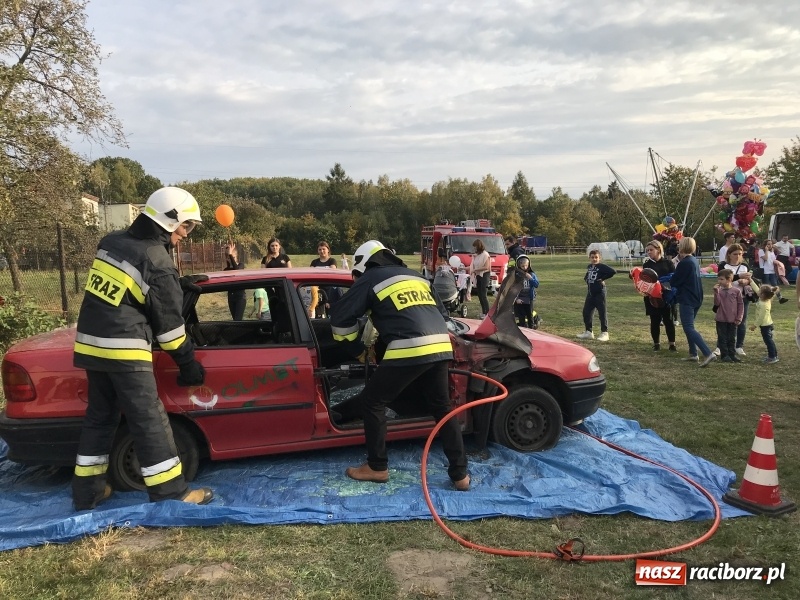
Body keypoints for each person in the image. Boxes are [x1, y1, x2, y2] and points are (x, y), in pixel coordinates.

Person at [71, 187, 213, 510]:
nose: (186, 235)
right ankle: (172, 492)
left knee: (100, 418)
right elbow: (172, 335)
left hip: (91, 345)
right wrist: (188, 363)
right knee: (149, 419)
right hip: (125, 350)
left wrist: (171, 287)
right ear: (168, 220)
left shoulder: (111, 242)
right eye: (186, 226)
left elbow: (125, 293)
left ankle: (87, 493)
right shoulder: (158, 262)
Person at [329, 240, 469, 491]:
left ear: (363, 264)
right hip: (440, 345)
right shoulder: (416, 276)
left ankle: (377, 466)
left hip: (409, 347)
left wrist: (357, 350)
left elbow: (340, 320)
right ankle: (460, 475)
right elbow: (440, 314)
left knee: (372, 401)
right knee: (442, 407)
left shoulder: (371, 277)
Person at [670, 237, 716, 367]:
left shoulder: (684, 263)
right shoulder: (693, 260)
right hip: (696, 297)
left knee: (688, 327)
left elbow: (675, 281)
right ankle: (693, 353)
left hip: (687, 298)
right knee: (689, 326)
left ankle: (707, 353)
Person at [719, 243, 754, 356]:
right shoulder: (724, 266)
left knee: (741, 321)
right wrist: (740, 276)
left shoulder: (745, 266)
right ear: (729, 254)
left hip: (742, 297)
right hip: (727, 297)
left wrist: (746, 281)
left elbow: (750, 279)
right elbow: (722, 278)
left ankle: (739, 346)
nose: (738, 256)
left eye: (740, 254)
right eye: (735, 254)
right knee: (725, 322)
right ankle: (723, 346)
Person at [641, 240, 676, 351]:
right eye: (647, 250)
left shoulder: (668, 263)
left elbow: (674, 279)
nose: (649, 252)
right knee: (654, 321)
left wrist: (664, 287)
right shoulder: (647, 264)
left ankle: (672, 344)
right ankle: (656, 344)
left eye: (651, 250)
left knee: (668, 321)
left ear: (659, 249)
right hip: (651, 297)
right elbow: (644, 280)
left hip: (666, 296)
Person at [576, 250, 615, 341]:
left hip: (599, 293)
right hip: (590, 293)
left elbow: (612, 271)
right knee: (586, 312)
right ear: (589, 258)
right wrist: (586, 279)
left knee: (602, 312)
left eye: (596, 257)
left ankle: (604, 332)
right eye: (592, 257)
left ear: (599, 258)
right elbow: (587, 276)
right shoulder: (589, 267)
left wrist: (602, 279)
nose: (594, 259)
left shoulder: (601, 267)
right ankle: (588, 331)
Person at [712, 269, 744, 363]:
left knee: (731, 338)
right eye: (718, 279)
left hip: (732, 319)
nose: (719, 281)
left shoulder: (736, 291)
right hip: (721, 319)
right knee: (722, 338)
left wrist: (739, 317)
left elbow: (740, 305)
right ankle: (724, 355)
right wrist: (716, 292)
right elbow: (717, 303)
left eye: (721, 279)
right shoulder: (719, 291)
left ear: (729, 279)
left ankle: (732, 354)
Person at [749, 284, 779, 363]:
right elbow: (756, 289)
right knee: (770, 341)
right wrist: (750, 280)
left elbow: (761, 317)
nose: (758, 291)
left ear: (763, 294)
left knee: (768, 341)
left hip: (765, 326)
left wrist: (755, 325)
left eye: (760, 291)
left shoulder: (763, 305)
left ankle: (772, 357)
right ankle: (774, 355)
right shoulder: (766, 299)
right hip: (769, 324)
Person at [310, 240, 338, 317]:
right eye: (320, 249)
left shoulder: (332, 261)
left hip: (329, 289)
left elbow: (333, 272)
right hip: (317, 289)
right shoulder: (314, 262)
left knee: (330, 312)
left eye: (323, 249)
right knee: (319, 313)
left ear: (328, 250)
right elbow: (310, 274)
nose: (322, 251)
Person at [513, 255, 539, 328]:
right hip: (520, 298)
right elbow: (513, 288)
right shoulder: (516, 276)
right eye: (522, 266)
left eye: (526, 266)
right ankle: (522, 329)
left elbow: (536, 284)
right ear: (518, 266)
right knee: (521, 316)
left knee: (529, 314)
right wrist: (517, 298)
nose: (524, 268)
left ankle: (531, 329)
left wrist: (531, 278)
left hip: (529, 298)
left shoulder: (532, 274)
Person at [469, 239, 492, 318]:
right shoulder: (477, 255)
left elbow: (487, 267)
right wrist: (464, 268)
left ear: (478, 246)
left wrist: (475, 270)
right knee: (479, 294)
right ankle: (484, 312)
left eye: (475, 247)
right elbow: (473, 266)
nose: (474, 249)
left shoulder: (486, 255)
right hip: (478, 275)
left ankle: (487, 313)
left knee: (483, 294)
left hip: (484, 275)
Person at [224, 242, 246, 321]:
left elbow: (237, 270)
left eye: (233, 257)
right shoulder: (226, 270)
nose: (231, 259)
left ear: (236, 257)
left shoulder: (241, 265)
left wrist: (230, 254)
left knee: (238, 319)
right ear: (226, 259)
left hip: (240, 297)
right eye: (229, 257)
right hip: (231, 297)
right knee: (234, 320)